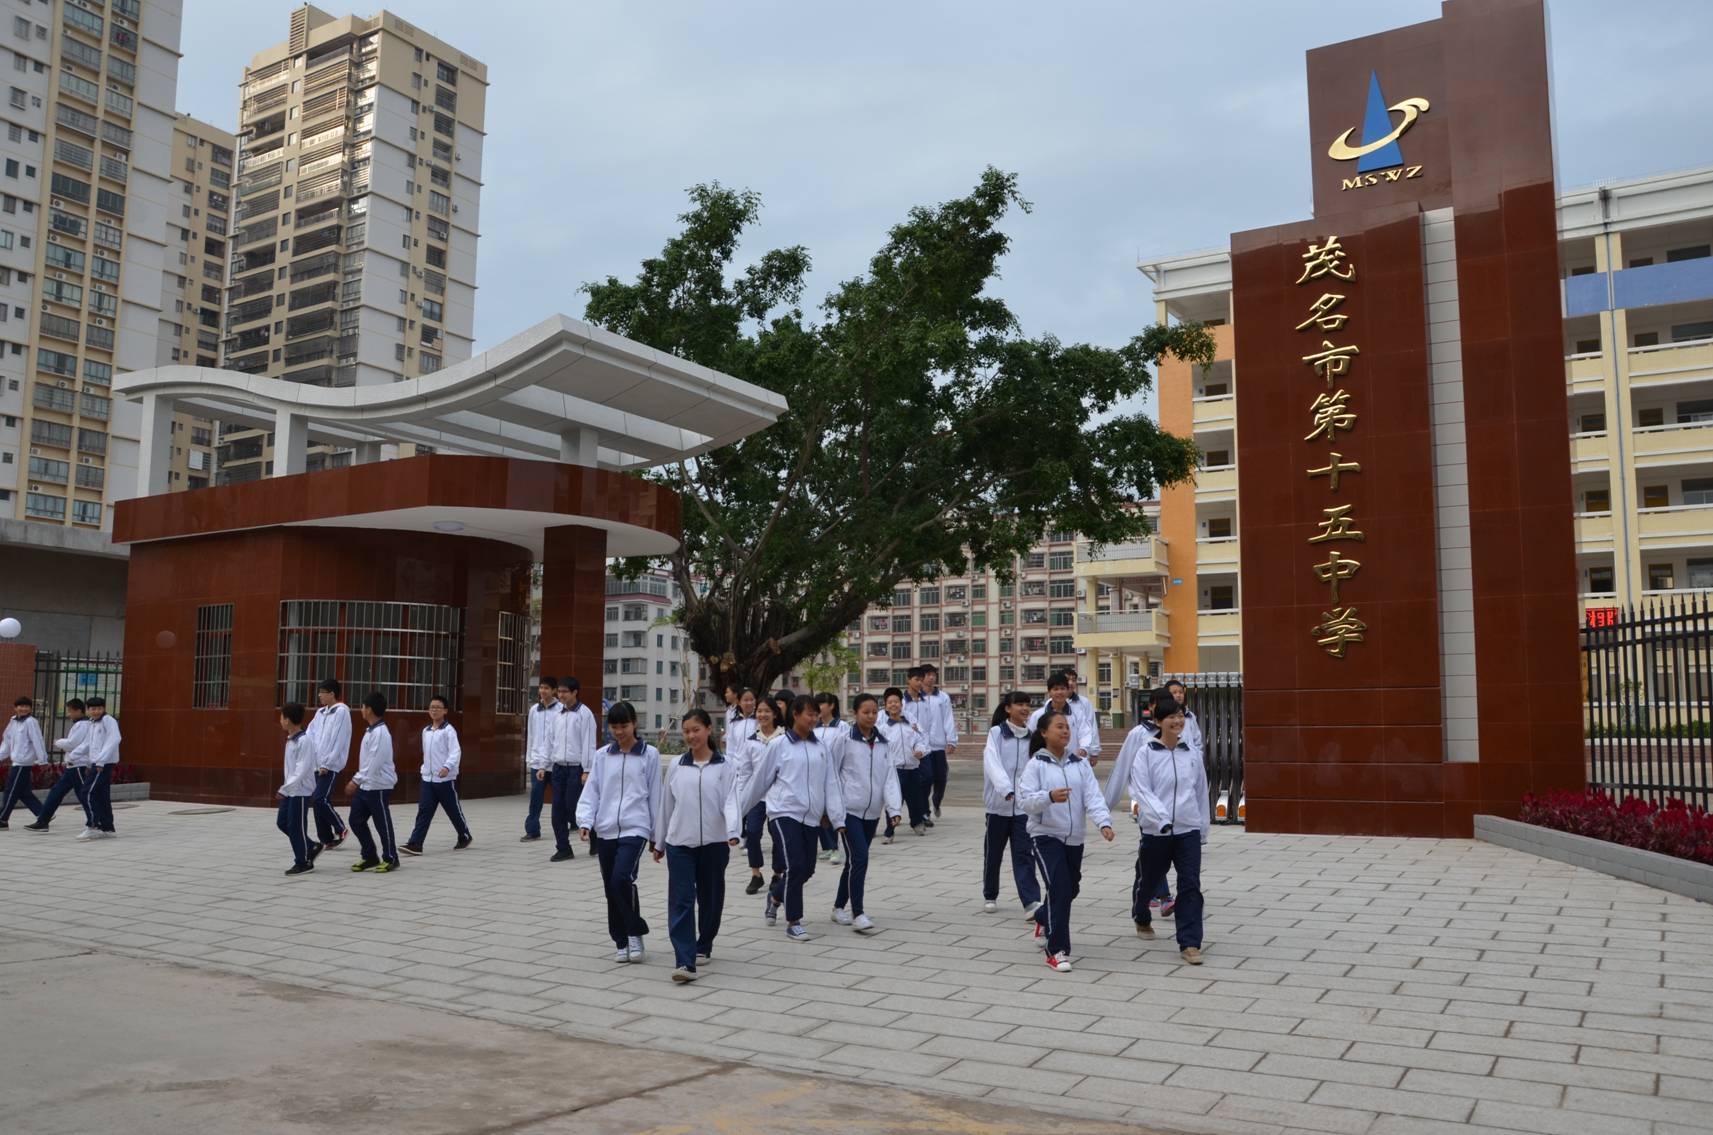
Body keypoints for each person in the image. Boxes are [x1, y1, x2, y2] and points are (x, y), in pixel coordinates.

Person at [741, 694, 845, 943]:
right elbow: (759, 782)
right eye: (809, 714)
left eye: (815, 714)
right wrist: (738, 814)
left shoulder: (822, 748)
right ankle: (794, 921)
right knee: (795, 866)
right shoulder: (779, 746)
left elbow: (831, 784)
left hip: (811, 818)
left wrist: (837, 819)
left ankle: (776, 896)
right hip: (783, 813)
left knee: (807, 869)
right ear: (795, 715)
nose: (813, 718)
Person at [1017, 707, 1114, 973]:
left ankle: (1042, 916)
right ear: (1044, 733)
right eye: (1059, 727)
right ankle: (1057, 950)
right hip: (1045, 835)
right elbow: (1025, 801)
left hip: (1074, 837)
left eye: (1067, 727)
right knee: (1060, 888)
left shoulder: (1079, 763)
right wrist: (1048, 796)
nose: (1065, 731)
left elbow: (1093, 796)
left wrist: (1103, 822)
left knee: (1071, 889)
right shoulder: (1035, 765)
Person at [653, 708, 740, 983]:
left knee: (711, 899)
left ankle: (705, 943)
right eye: (687, 731)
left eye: (696, 730)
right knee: (681, 899)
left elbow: (731, 801)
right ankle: (685, 960)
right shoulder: (678, 765)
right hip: (680, 842)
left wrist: (734, 831)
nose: (691, 736)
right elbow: (666, 805)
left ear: (708, 730)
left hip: (715, 843)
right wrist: (659, 841)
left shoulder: (725, 767)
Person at [577, 701, 661, 963]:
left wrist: (657, 836)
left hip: (635, 827)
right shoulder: (603, 755)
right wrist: (585, 821)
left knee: (620, 879)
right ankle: (621, 940)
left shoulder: (650, 755)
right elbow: (593, 790)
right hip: (606, 830)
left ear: (634, 723)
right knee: (609, 887)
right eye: (614, 727)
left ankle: (635, 932)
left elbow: (656, 795)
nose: (620, 731)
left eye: (624, 725)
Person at [1129, 699, 1209, 964]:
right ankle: (1141, 915)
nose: (1177, 721)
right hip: (1156, 831)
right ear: (1157, 722)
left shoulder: (1192, 754)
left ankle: (1190, 943)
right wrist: (1162, 819)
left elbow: (1199, 793)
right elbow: (1143, 791)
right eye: (1171, 718)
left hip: (1187, 830)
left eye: (1180, 716)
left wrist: (1201, 828)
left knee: (1190, 885)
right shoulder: (1146, 752)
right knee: (1149, 882)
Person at [830, 693, 902, 934]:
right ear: (854, 713)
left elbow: (889, 776)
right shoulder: (843, 740)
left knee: (853, 861)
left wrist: (893, 808)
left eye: (874, 712)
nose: (871, 716)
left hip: (872, 812)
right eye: (865, 712)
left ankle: (838, 906)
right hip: (849, 810)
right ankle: (857, 912)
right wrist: (833, 811)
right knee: (860, 858)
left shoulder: (883, 742)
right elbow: (831, 775)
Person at [981, 691, 1042, 919]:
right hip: (998, 805)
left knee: (1024, 854)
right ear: (1008, 708)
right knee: (993, 853)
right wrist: (1005, 788)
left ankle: (1031, 902)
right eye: (1019, 704)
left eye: (1028, 704)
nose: (1024, 708)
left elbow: (1036, 767)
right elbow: (992, 762)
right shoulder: (996, 733)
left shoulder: (1033, 736)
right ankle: (990, 894)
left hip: (1023, 808)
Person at [401, 695, 471, 855]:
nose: (434, 710)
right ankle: (416, 844)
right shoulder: (426, 731)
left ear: (445, 711)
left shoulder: (448, 730)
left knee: (453, 810)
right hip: (428, 778)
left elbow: (456, 751)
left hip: (444, 779)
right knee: (424, 811)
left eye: (438, 707)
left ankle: (464, 835)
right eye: (432, 707)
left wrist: (447, 766)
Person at [731, 692, 784, 895]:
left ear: (775, 714)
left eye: (767, 711)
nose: (762, 715)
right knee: (752, 833)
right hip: (757, 797)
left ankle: (777, 873)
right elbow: (745, 772)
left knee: (778, 835)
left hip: (779, 797)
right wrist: (742, 798)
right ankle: (756, 873)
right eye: (759, 711)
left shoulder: (784, 738)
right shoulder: (751, 741)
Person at [346, 692, 400, 872]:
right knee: (355, 820)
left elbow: (374, 762)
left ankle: (391, 858)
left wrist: (356, 780)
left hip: (379, 786)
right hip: (367, 784)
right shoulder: (371, 731)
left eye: (362, 706)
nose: (361, 709)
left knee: (382, 823)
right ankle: (369, 856)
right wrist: (360, 780)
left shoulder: (381, 733)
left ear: (369, 709)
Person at [548, 677, 597, 864]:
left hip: (577, 768)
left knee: (573, 808)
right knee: (557, 811)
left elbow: (589, 744)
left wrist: (587, 769)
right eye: (558, 692)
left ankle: (595, 836)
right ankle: (563, 848)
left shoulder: (585, 714)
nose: (560, 695)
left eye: (564, 692)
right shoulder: (557, 714)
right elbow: (551, 741)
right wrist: (545, 764)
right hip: (558, 767)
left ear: (575, 692)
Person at [24, 698, 92, 834]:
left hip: (79, 765)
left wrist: (58, 742)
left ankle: (95, 820)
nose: (69, 714)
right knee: (56, 792)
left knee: (84, 795)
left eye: (70, 711)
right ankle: (43, 821)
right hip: (72, 766)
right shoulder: (81, 724)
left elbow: (72, 744)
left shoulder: (83, 725)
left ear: (78, 711)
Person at [906, 665, 957, 821]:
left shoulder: (942, 697)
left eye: (933, 675)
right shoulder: (914, 698)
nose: (931, 678)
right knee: (925, 779)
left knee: (941, 777)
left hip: (938, 744)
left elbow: (948, 719)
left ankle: (936, 800)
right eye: (927, 675)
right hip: (920, 746)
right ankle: (924, 811)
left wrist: (951, 740)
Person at [307, 679, 352, 849]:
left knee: (320, 799)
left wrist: (327, 763)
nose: (319, 695)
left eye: (322, 692)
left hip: (330, 766)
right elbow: (310, 734)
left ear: (332, 694)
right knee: (317, 801)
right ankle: (327, 839)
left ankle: (340, 828)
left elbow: (339, 740)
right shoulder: (320, 713)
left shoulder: (341, 712)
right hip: (316, 765)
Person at [276, 703, 320, 876]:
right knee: (282, 823)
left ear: (288, 720)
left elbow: (301, 770)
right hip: (290, 790)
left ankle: (303, 862)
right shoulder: (291, 739)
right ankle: (310, 846)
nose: (280, 720)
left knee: (296, 826)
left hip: (300, 791)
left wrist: (284, 788)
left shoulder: (304, 741)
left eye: (282, 717)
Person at [881, 687, 927, 839]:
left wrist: (920, 751)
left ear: (901, 704)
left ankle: (917, 823)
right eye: (890, 702)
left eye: (896, 702)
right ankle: (889, 831)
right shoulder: (883, 727)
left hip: (913, 767)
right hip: (894, 770)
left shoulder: (911, 721)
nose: (893, 705)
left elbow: (921, 739)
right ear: (885, 705)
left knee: (916, 799)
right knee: (894, 800)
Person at [520, 676, 558, 842]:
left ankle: (573, 821)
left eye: (547, 688)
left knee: (562, 797)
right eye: (541, 687)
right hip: (537, 762)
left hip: (555, 762)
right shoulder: (534, 709)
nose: (543, 691)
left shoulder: (561, 710)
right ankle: (533, 829)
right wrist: (530, 758)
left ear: (554, 690)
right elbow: (531, 735)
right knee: (536, 797)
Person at [0, 695, 47, 829]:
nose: (23, 709)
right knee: (23, 792)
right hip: (16, 762)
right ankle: (43, 814)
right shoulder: (13, 721)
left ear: (30, 709)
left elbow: (37, 740)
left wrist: (42, 759)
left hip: (23, 762)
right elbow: (7, 742)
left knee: (11, 791)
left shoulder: (31, 722)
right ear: (15, 708)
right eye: (20, 706)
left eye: (26, 706)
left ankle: (3, 819)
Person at [78, 697, 121, 840]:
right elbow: (88, 744)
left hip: (102, 764)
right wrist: (73, 755)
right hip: (96, 763)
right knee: (101, 796)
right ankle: (108, 828)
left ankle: (93, 825)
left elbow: (114, 739)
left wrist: (101, 761)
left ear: (103, 708)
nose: (95, 711)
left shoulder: (108, 720)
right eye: (92, 709)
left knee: (86, 793)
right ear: (88, 710)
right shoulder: (92, 723)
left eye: (98, 708)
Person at [1028, 674, 1096, 762]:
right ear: (1049, 692)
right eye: (1055, 689)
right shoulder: (1038, 715)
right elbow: (1031, 738)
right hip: (1045, 761)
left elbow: (1085, 732)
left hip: (1072, 760)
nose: (1059, 692)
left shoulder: (1078, 714)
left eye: (1063, 688)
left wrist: (1083, 748)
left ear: (1068, 691)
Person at [812, 693, 844, 863]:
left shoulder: (842, 727)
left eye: (821, 704)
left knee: (831, 811)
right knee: (817, 811)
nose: (818, 709)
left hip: (834, 777)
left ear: (831, 706)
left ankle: (836, 848)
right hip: (815, 777)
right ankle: (826, 846)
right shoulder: (813, 728)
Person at [1061, 670, 1102, 765]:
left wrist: (1094, 752)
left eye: (1073, 680)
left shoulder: (1084, 703)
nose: (1071, 683)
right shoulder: (1050, 704)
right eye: (1067, 679)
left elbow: (1092, 727)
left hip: (1080, 754)